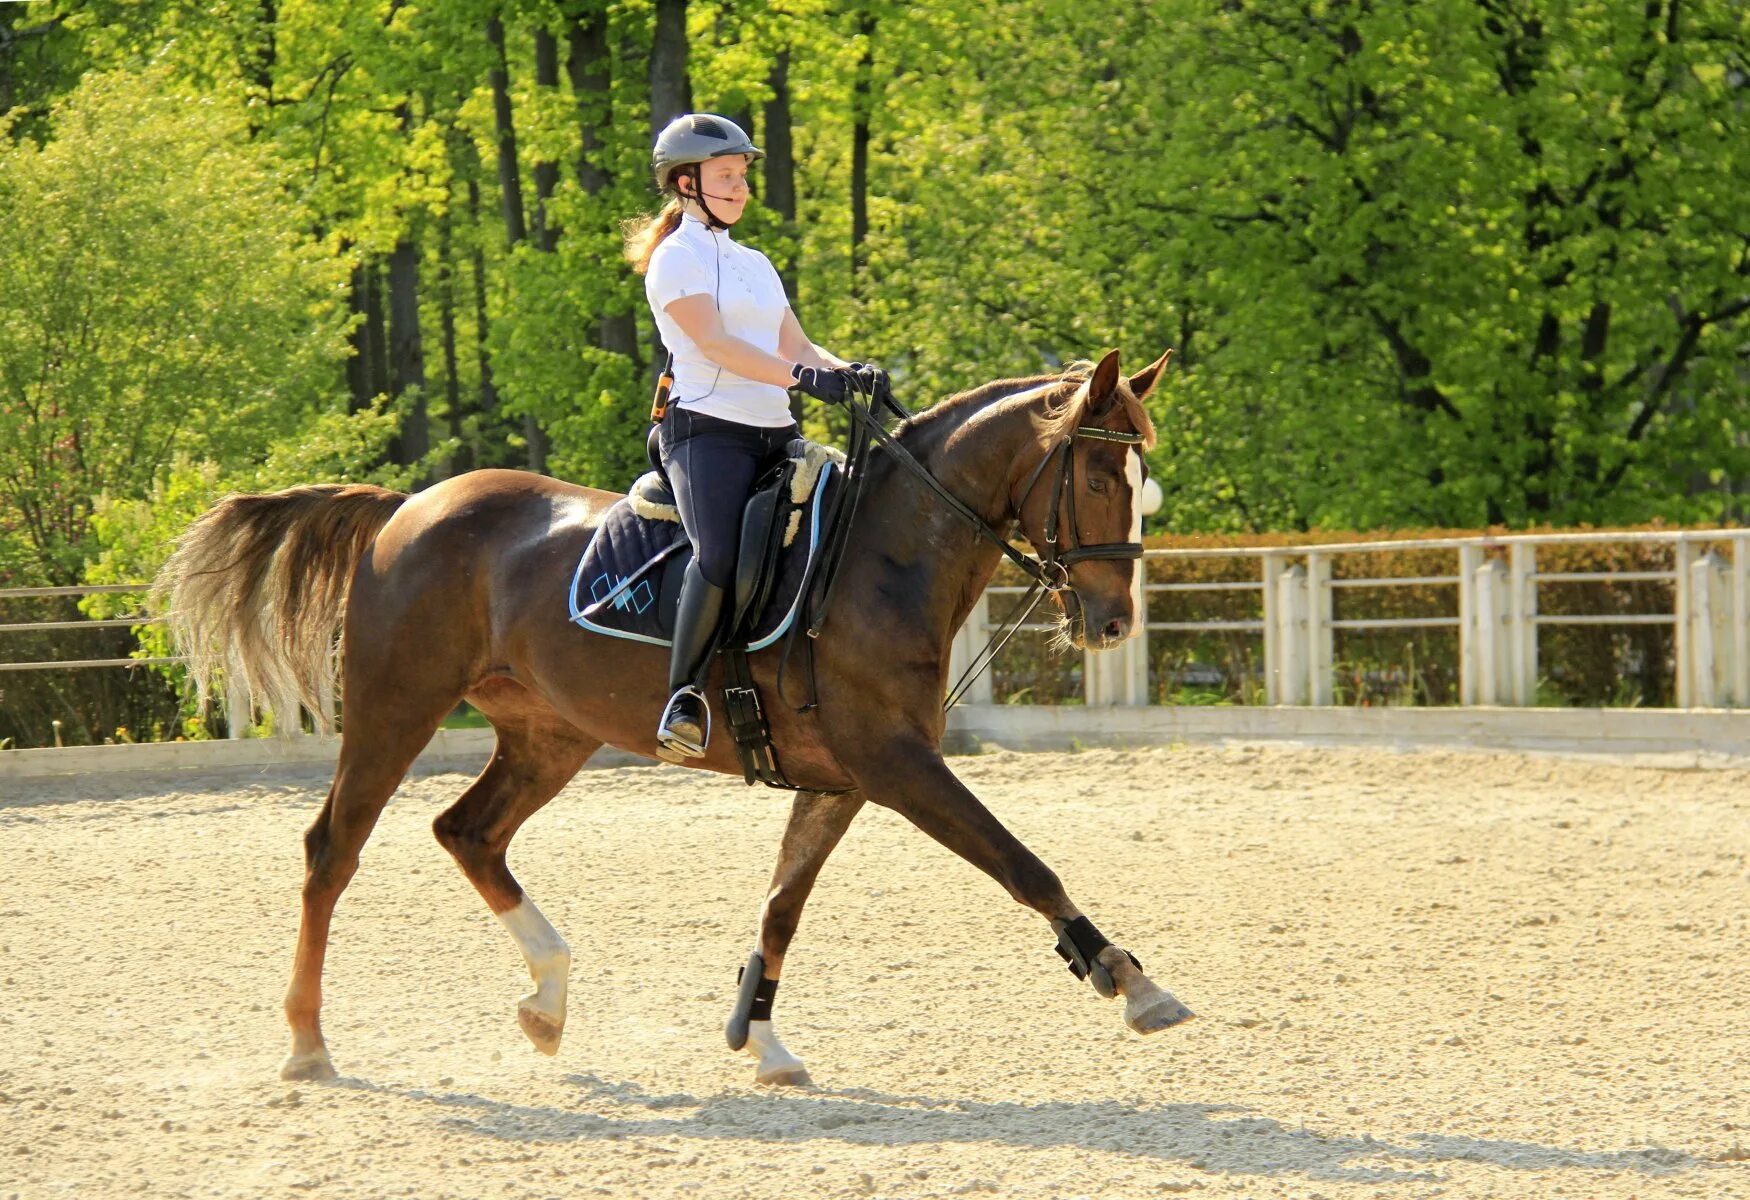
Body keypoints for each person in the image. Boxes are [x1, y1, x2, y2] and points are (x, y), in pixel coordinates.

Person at [622, 112, 888, 762]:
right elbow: (714, 344)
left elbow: (793, 343)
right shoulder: (675, 259)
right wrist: (802, 376)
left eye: (742, 177)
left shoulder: (755, 263)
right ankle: (683, 696)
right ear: (686, 183)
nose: (741, 189)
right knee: (717, 553)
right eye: (727, 177)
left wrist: (843, 371)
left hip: (775, 433)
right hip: (707, 435)